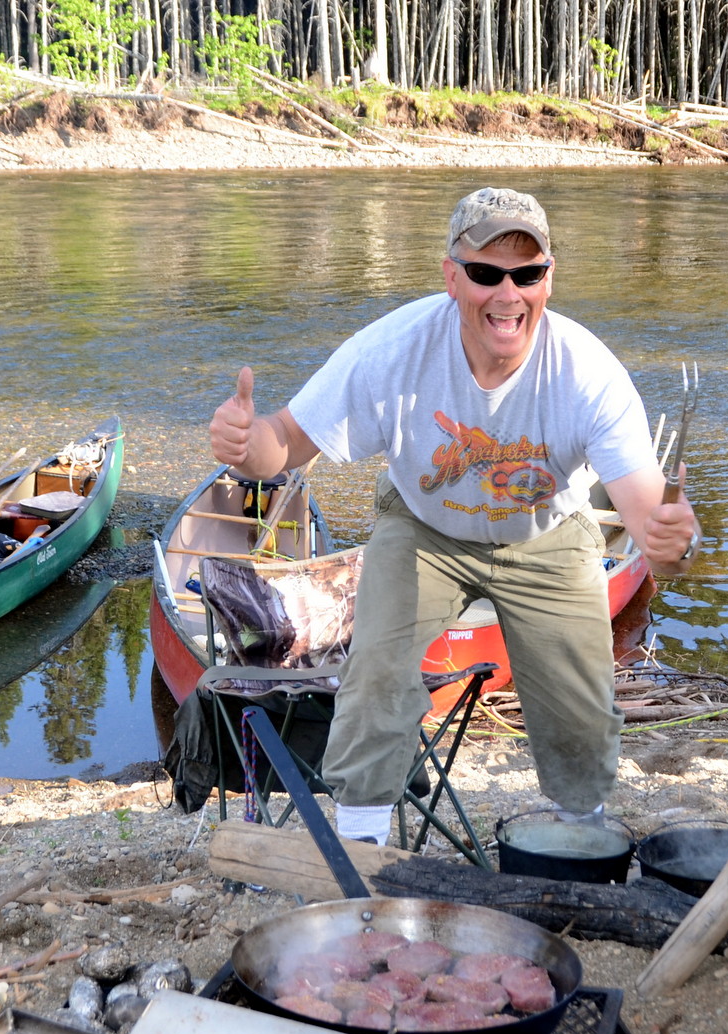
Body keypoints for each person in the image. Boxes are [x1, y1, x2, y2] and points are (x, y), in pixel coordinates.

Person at [208, 187, 701, 844]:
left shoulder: (588, 373)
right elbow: (288, 440)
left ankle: (579, 836)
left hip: (547, 535)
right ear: (451, 276)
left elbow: (647, 513)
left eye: (527, 274)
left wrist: (672, 541)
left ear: (549, 278)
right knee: (377, 670)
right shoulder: (394, 349)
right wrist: (249, 447)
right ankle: (362, 847)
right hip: (423, 530)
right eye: (486, 273)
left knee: (579, 710)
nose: (508, 294)